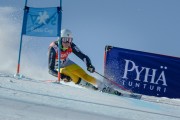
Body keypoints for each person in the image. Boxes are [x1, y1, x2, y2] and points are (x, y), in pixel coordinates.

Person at [48, 29, 121, 95]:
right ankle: (85, 85)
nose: (68, 42)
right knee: (67, 73)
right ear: (60, 40)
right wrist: (63, 76)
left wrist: (89, 65)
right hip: (57, 67)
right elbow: (50, 70)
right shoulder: (53, 48)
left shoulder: (71, 45)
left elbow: (83, 56)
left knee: (84, 75)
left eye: (70, 40)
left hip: (67, 63)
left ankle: (104, 87)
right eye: (65, 39)